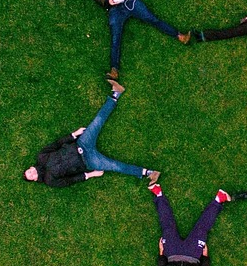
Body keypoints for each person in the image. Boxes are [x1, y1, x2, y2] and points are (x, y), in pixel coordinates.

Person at [24, 78, 160, 187]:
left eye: (29, 170)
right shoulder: (50, 180)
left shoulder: (42, 156)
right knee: (114, 166)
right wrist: (91, 174)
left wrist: (74, 134)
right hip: (88, 162)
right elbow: (70, 180)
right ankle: (149, 173)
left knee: (97, 122)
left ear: (31, 167)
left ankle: (116, 93)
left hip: (82, 143)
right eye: (30, 175)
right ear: (35, 179)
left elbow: (57, 143)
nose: (31, 172)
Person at [88, 0, 190, 80]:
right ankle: (114, 70)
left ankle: (180, 36)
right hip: (115, 9)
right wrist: (107, 2)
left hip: (130, 0)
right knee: (115, 37)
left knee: (152, 18)